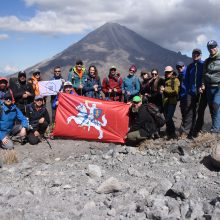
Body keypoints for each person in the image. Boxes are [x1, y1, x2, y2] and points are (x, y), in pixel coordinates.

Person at [185, 48, 207, 138]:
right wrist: (188, 90)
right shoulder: (190, 66)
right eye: (194, 54)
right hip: (191, 92)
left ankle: (197, 130)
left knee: (200, 112)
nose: (195, 55)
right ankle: (188, 132)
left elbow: (205, 76)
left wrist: (203, 86)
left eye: (197, 54)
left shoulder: (203, 64)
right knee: (190, 112)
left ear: (200, 55)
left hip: (201, 92)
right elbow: (186, 80)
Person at [202, 40, 220, 133]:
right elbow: (204, 74)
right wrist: (203, 84)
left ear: (216, 46)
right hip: (209, 88)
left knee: (216, 106)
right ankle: (215, 126)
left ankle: (215, 130)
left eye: (213, 47)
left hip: (218, 87)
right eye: (209, 48)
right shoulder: (207, 61)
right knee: (212, 109)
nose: (211, 49)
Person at [161, 66, 180, 139]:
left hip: (172, 101)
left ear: (172, 72)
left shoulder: (175, 80)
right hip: (165, 101)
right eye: (166, 72)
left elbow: (175, 91)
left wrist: (165, 90)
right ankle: (169, 133)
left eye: (169, 72)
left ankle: (173, 134)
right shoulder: (166, 80)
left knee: (169, 118)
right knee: (167, 118)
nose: (167, 73)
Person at [176, 61, 188, 137]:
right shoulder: (180, 75)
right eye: (178, 68)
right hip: (182, 97)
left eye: (181, 67)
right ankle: (183, 131)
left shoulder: (187, 73)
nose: (179, 68)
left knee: (187, 114)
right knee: (184, 114)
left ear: (184, 66)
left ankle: (185, 131)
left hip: (187, 96)